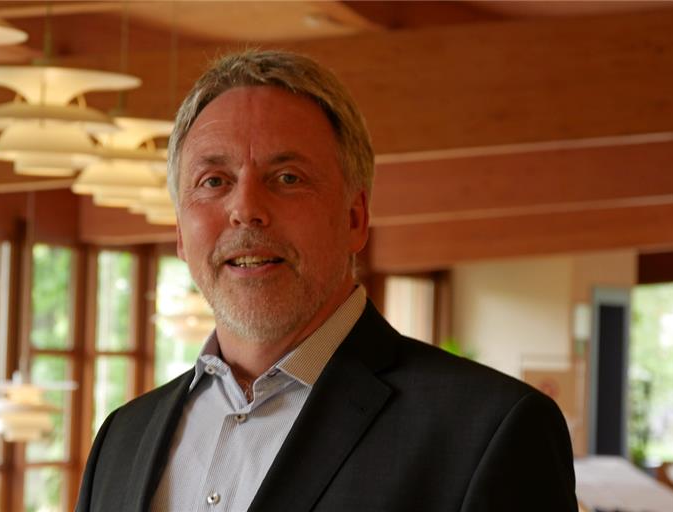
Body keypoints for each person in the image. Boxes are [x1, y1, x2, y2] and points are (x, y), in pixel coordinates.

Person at [76, 50, 577, 512]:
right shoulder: (122, 439)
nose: (246, 209)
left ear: (356, 218)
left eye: (287, 178)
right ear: (180, 234)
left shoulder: (489, 433)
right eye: (214, 182)